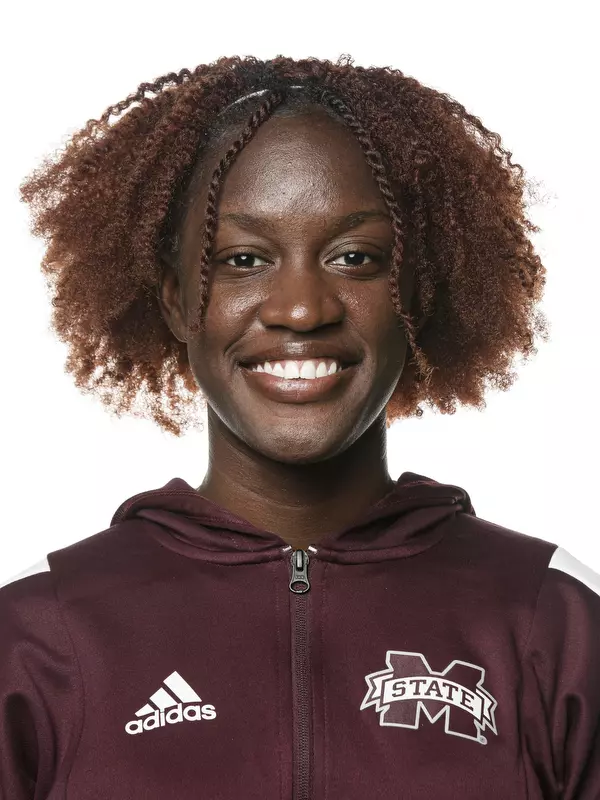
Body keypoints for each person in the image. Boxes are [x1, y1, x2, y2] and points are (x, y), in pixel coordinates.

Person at [1, 54, 598, 799]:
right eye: (243, 258)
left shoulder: (548, 617)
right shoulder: (40, 632)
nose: (301, 308)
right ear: (174, 299)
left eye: (356, 257)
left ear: (417, 290)